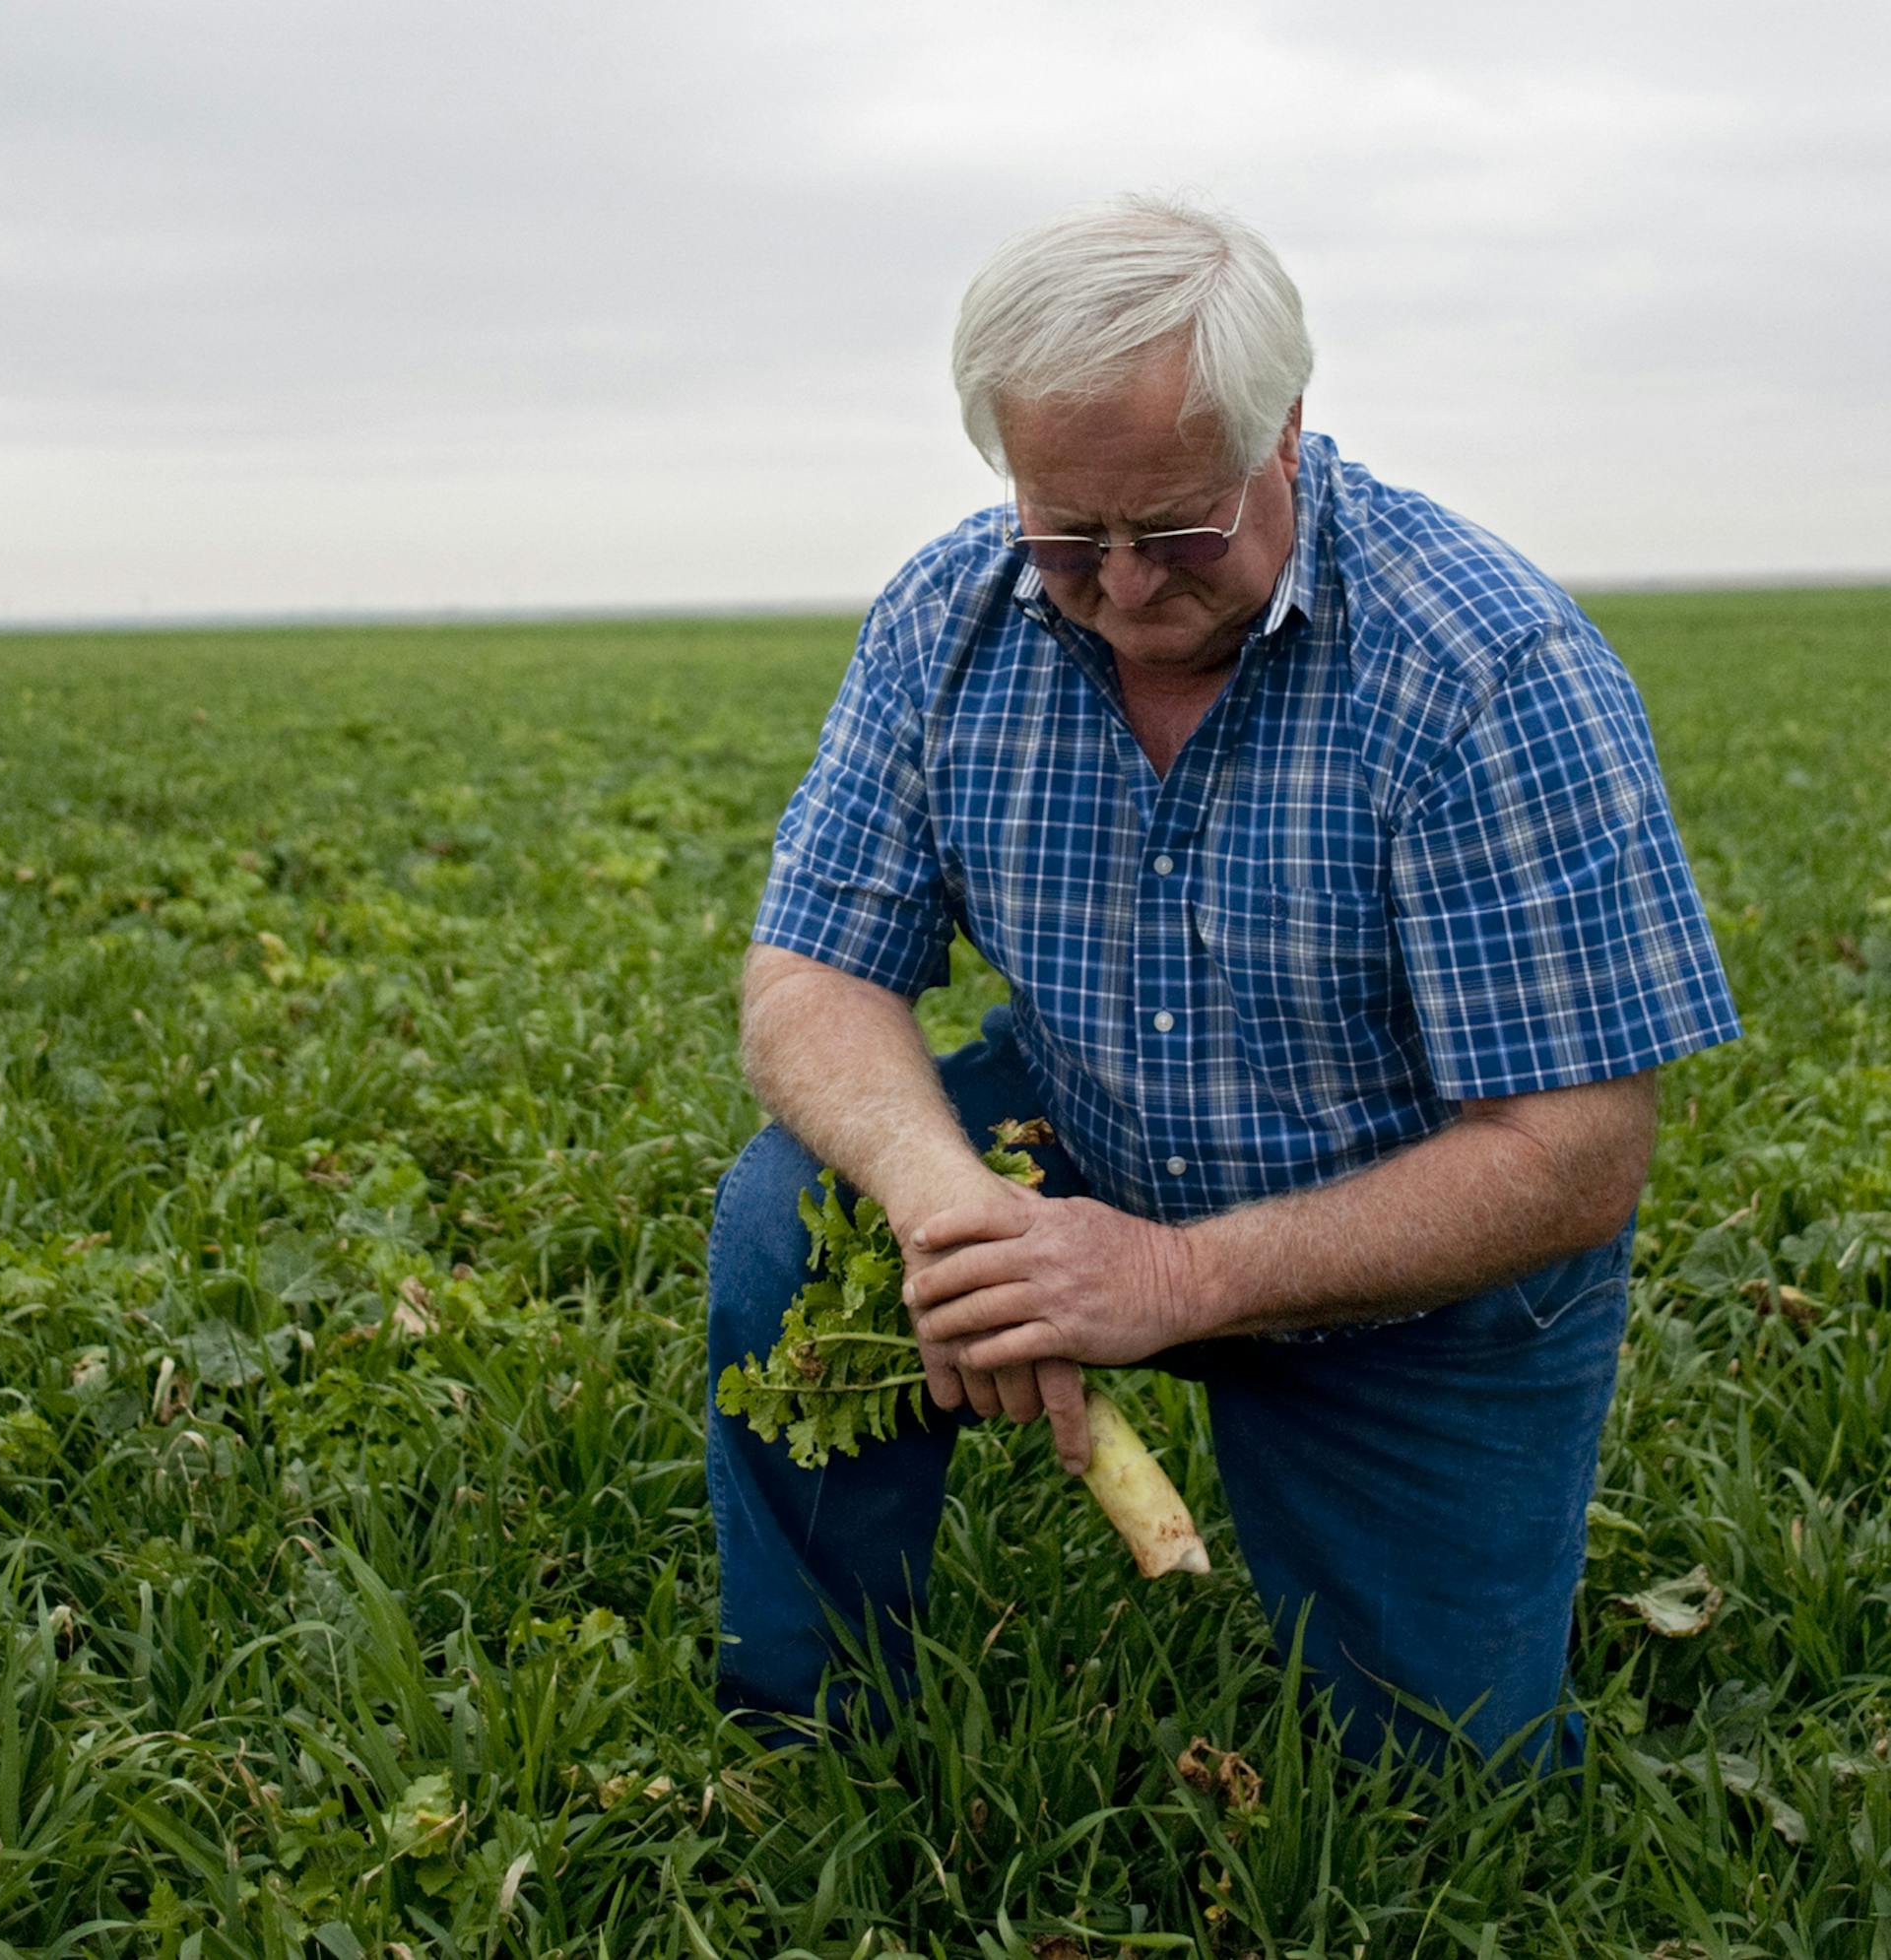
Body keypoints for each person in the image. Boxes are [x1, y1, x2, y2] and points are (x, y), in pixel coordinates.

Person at [705, 191, 1742, 1769]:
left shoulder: (1481, 666)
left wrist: (1177, 1281)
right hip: (1083, 1151)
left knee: (1442, 1785)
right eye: (1068, 529)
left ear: (1287, 433)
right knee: (794, 1214)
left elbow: (1576, 1155)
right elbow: (808, 974)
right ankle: (811, 1714)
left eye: (1174, 529)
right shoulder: (950, 614)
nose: (1120, 584)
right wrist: (953, 1213)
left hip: (1405, 1267)